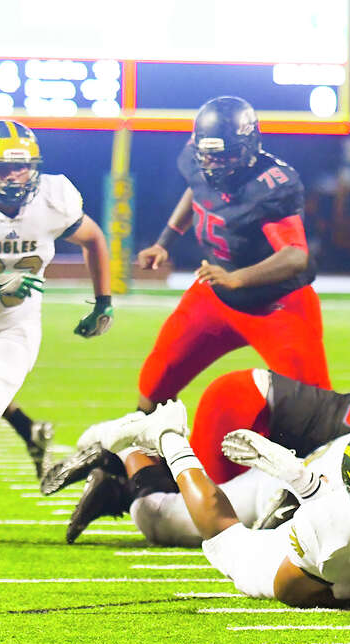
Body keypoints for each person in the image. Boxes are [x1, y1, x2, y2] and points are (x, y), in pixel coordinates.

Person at [79, 400, 350, 616]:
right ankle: (169, 436)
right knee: (225, 537)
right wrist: (347, 599)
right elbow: (288, 588)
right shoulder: (333, 532)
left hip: (317, 490)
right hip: (297, 552)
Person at [133, 95, 329, 413]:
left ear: (248, 148)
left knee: (313, 410)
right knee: (155, 382)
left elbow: (295, 256)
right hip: (215, 296)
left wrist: (237, 278)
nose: (214, 165)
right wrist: (164, 242)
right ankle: (145, 459)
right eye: (208, 157)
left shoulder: (269, 185)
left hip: (277, 305)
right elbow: (197, 190)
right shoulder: (199, 162)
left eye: (224, 157)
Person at [0, 120, 113, 471]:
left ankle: (27, 430)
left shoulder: (53, 198)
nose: (14, 176)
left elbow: (93, 238)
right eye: (3, 167)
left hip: (11, 326)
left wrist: (102, 302)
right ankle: (29, 430)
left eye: (22, 166)